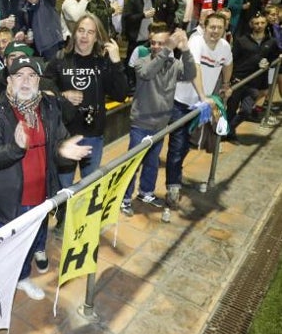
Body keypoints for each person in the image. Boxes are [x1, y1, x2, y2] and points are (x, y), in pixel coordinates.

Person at [0, 56, 91, 299]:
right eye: (19, 75)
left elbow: (58, 142)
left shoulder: (48, 108)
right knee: (0, 249)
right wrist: (15, 148)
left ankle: (21, 278)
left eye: (31, 76)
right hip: (6, 199)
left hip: (39, 194)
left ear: (39, 80)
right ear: (9, 81)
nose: (26, 81)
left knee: (29, 244)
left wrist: (63, 152)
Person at [44, 13, 128, 231]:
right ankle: (64, 219)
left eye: (90, 32)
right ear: (74, 33)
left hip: (93, 136)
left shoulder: (103, 63)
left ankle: (83, 223)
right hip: (65, 137)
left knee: (89, 184)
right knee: (64, 187)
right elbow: (43, 89)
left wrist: (117, 61)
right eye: (81, 30)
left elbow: (122, 94)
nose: (84, 36)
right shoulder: (60, 59)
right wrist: (63, 95)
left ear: (97, 37)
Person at [120, 25, 196, 216]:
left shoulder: (173, 65)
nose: (155, 46)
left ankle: (146, 192)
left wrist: (185, 49)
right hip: (141, 123)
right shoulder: (142, 61)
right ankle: (124, 198)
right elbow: (147, 73)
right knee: (133, 163)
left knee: (152, 161)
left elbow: (190, 74)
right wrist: (167, 50)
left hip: (161, 124)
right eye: (153, 42)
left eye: (161, 43)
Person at [165, 12, 233, 208]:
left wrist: (226, 84)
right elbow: (195, 68)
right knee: (178, 144)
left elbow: (228, 63)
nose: (215, 31)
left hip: (201, 105)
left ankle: (176, 174)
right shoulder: (196, 42)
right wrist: (203, 96)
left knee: (187, 144)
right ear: (204, 25)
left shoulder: (224, 46)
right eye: (212, 27)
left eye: (220, 28)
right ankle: (173, 186)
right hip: (183, 102)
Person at [226, 13, 279, 139]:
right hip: (238, 80)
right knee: (231, 110)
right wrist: (230, 79)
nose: (259, 26)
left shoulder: (271, 42)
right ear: (251, 24)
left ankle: (228, 130)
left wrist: (268, 64)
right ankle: (229, 134)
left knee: (246, 110)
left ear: (266, 24)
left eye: (262, 23)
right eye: (256, 23)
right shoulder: (241, 40)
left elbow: (274, 60)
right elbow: (232, 60)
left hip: (254, 83)